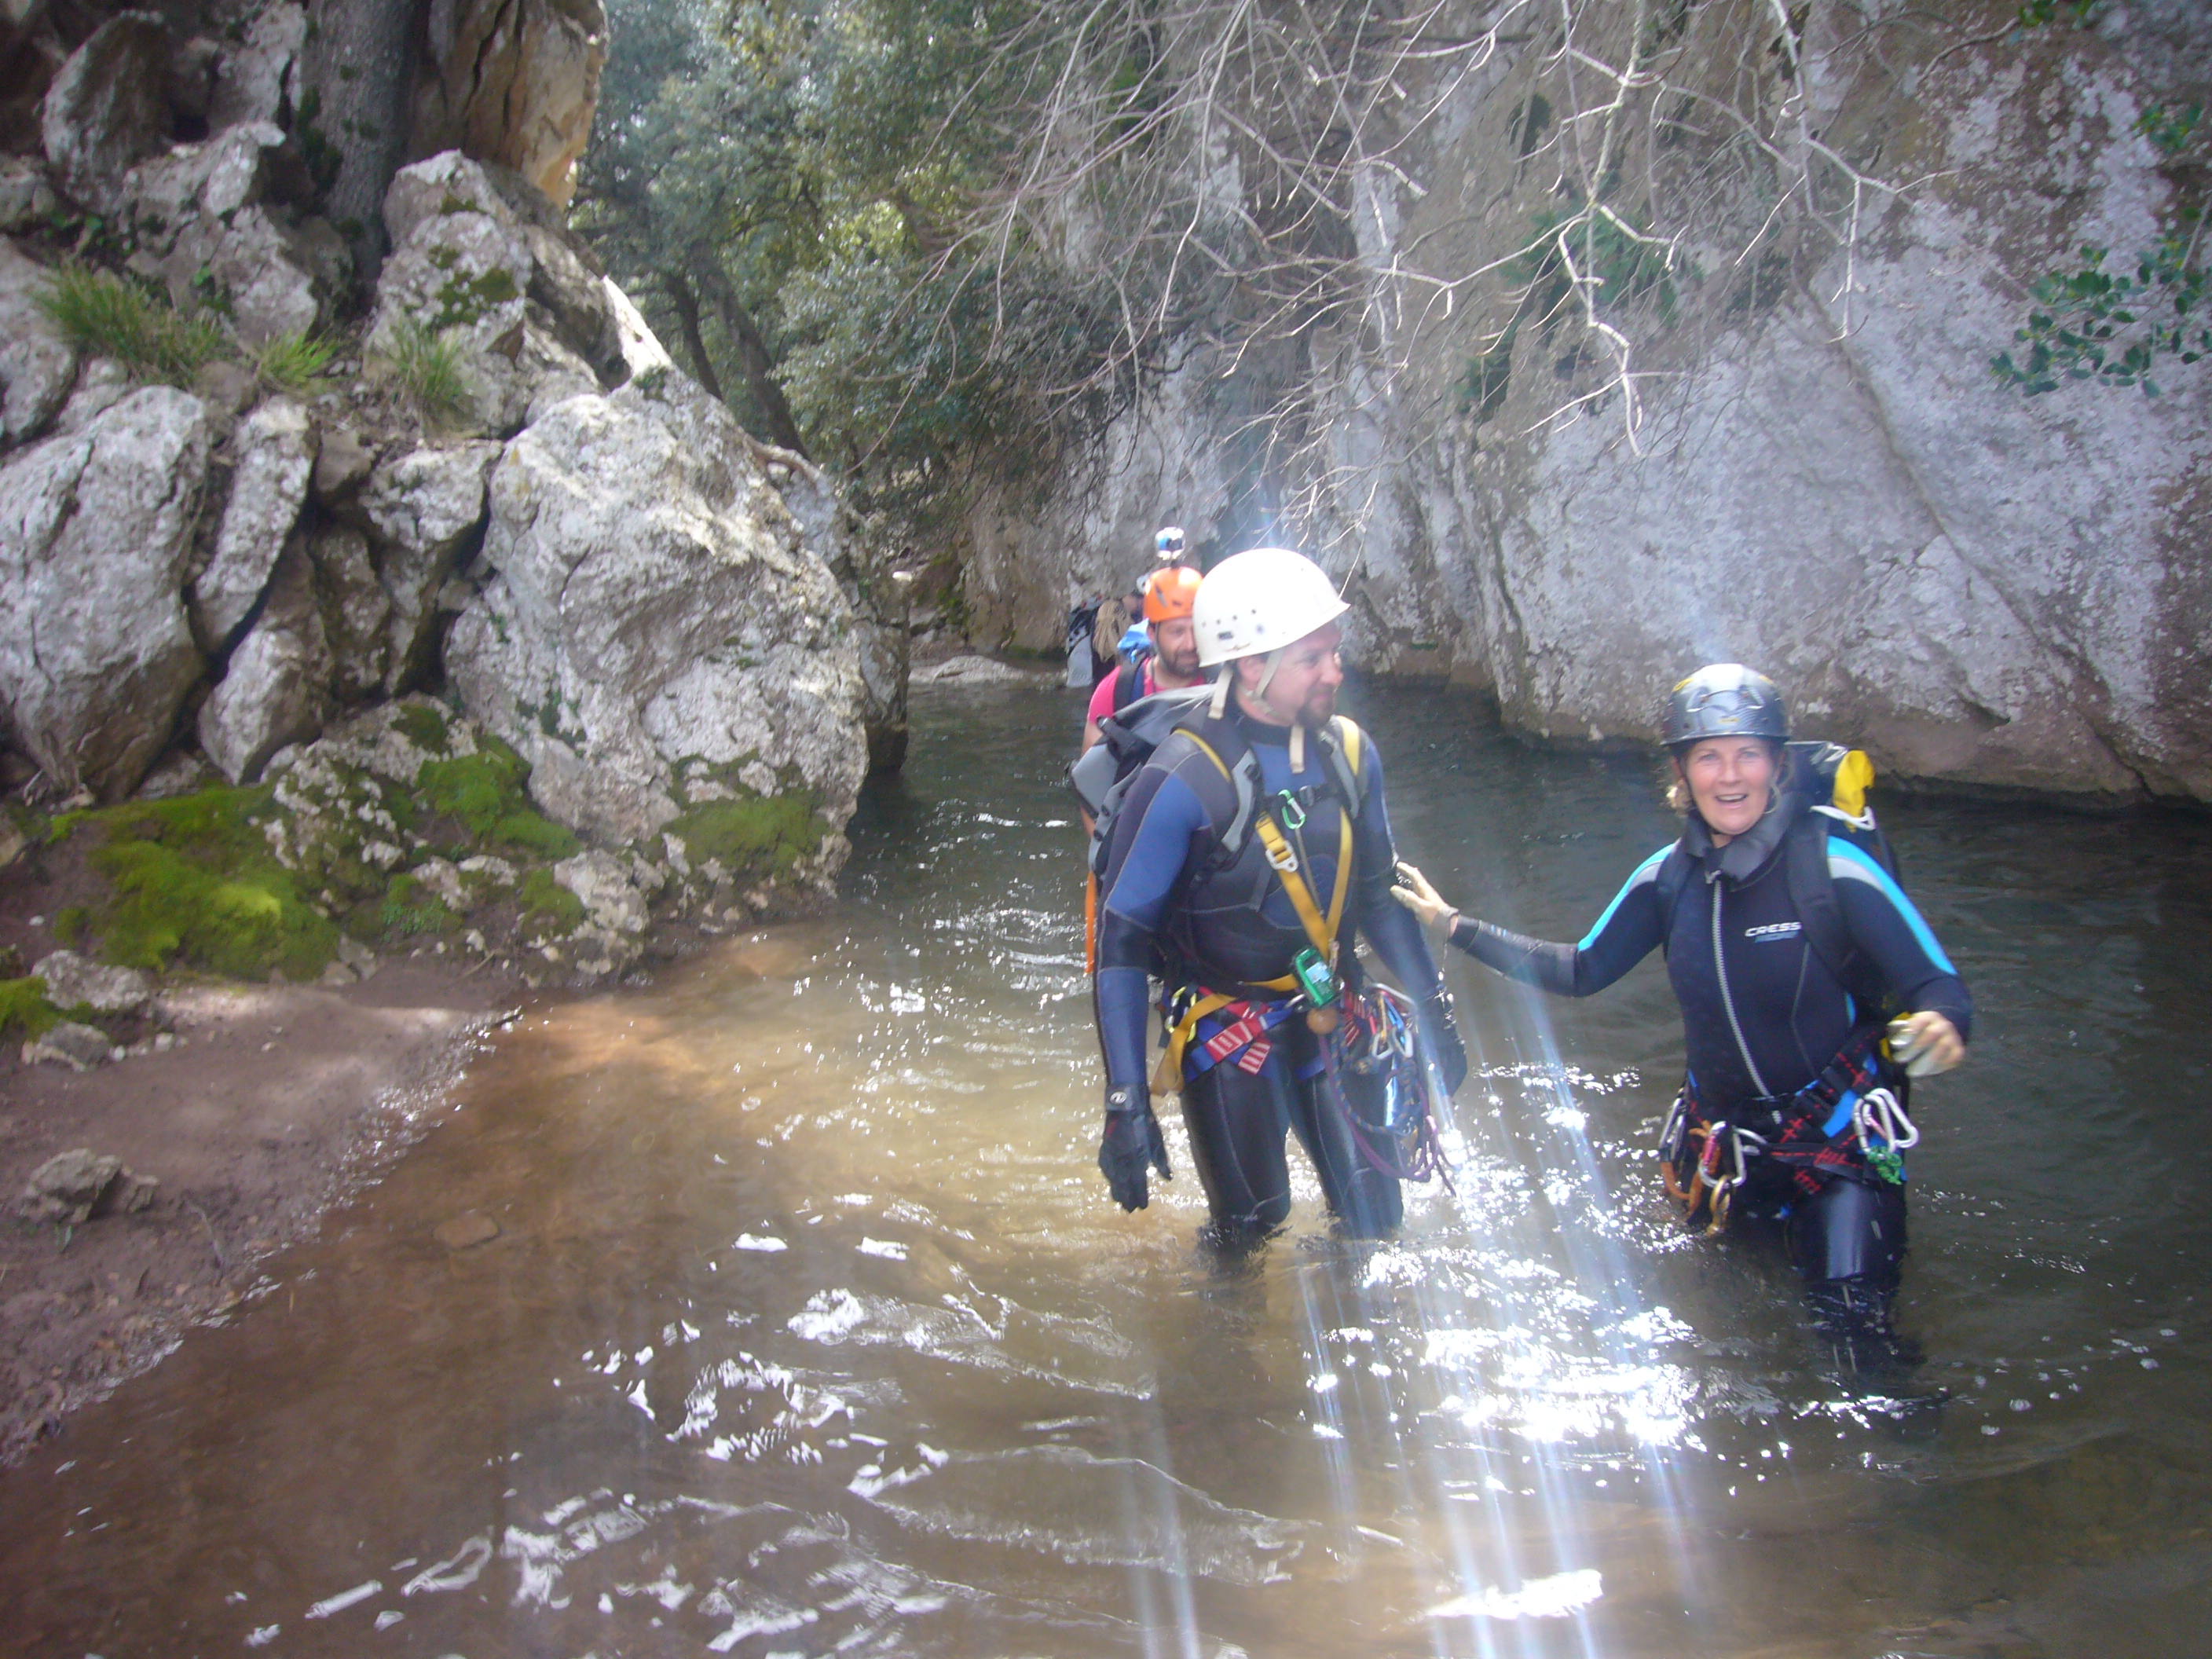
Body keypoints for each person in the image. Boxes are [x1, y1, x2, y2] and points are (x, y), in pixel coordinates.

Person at [1391, 663, 1970, 1372]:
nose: (1730, 776)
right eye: (1709, 756)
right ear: (1681, 772)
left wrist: (1943, 1026)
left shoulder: (1835, 869)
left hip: (1838, 1148)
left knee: (1854, 1337)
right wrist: (1455, 926)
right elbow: (1581, 969)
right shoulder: (1666, 880)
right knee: (1738, 1341)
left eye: (1748, 753)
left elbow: (1938, 985)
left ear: (1777, 765)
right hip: (1730, 1153)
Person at [1090, 547, 1468, 1245]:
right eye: (1312, 658)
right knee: (1250, 1230)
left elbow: (1378, 901)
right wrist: (1126, 1101)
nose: (1336, 671)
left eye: (1335, 652)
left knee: (1377, 1223)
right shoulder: (1181, 779)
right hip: (1229, 1030)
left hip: (1332, 1006)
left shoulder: (1349, 755)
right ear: (1252, 667)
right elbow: (1121, 942)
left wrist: (1438, 1015)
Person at [1079, 566, 1205, 756]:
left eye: (1197, 628)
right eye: (1177, 632)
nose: (1190, 644)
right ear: (1151, 633)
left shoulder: (1228, 683)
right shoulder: (1118, 690)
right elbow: (1092, 772)